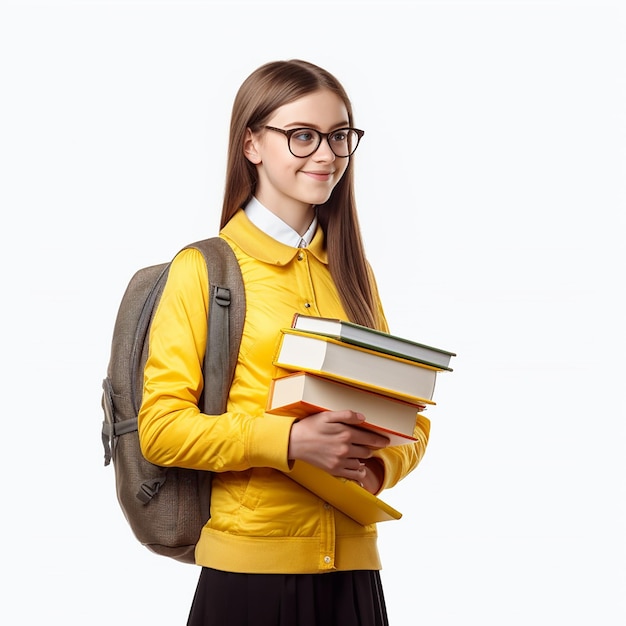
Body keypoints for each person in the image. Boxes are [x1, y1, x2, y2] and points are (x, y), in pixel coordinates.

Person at [138, 59, 430, 626]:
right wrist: (291, 441)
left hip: (354, 574)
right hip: (248, 574)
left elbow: (410, 418)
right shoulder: (204, 270)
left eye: (339, 136)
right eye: (302, 136)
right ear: (252, 143)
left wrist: (377, 471)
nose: (326, 155)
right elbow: (161, 429)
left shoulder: (353, 272)